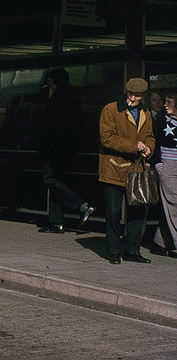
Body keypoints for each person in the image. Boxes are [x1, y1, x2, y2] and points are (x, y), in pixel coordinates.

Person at [98, 77, 156, 264]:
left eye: (137, 96)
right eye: (130, 93)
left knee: (137, 212)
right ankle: (114, 251)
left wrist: (149, 147)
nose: (132, 98)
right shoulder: (111, 109)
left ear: (143, 96)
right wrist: (135, 146)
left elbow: (150, 136)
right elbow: (107, 138)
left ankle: (132, 250)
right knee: (113, 212)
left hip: (137, 169)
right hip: (113, 170)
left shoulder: (145, 112)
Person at [37, 68, 95, 233]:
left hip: (56, 147)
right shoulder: (74, 99)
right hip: (70, 148)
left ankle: (82, 206)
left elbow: (49, 125)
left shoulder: (57, 99)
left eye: (50, 80)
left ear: (54, 81)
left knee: (50, 179)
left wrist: (45, 144)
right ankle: (56, 222)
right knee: (58, 182)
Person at [150, 90, 177, 258]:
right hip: (168, 166)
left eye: (169, 102)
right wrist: (160, 167)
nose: (165, 105)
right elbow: (155, 145)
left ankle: (160, 242)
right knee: (174, 204)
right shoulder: (161, 122)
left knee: (171, 206)